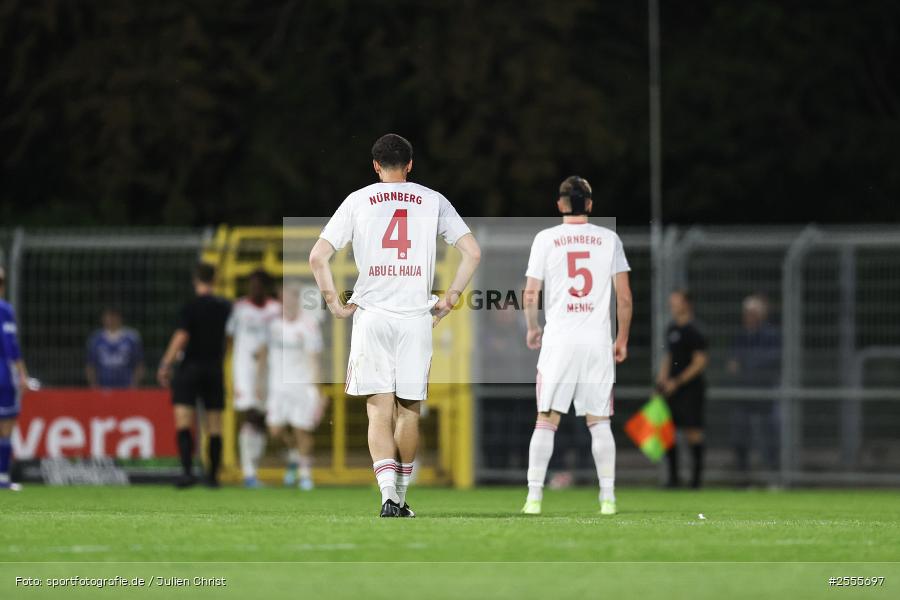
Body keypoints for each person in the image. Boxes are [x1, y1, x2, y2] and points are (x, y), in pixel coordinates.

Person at [309, 133, 481, 517]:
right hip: (415, 318)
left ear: (375, 166)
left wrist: (335, 304)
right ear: (410, 164)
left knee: (378, 411)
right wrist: (450, 297)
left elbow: (318, 257)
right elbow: (472, 251)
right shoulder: (431, 199)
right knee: (408, 410)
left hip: (372, 317)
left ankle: (387, 495)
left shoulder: (358, 200)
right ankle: (400, 498)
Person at [520, 176, 633, 516]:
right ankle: (608, 499)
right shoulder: (608, 239)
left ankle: (534, 498)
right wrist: (622, 338)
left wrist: (532, 328)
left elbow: (530, 293)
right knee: (599, 422)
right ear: (591, 204)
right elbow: (624, 297)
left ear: (560, 204)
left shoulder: (546, 239)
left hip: (560, 342)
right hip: (597, 342)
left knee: (546, 421)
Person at [157, 263, 232, 488]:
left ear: (195, 280)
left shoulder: (190, 308)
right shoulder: (225, 307)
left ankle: (188, 472)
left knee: (183, 422)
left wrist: (165, 364)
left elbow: (181, 336)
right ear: (214, 280)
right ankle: (213, 477)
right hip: (213, 368)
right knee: (215, 424)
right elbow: (230, 338)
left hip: (189, 368)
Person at [258, 285, 325, 490]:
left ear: (297, 300)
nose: (287, 302)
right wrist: (259, 383)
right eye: (283, 298)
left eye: (291, 298)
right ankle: (295, 456)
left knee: (301, 431)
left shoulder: (309, 325)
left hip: (301, 386)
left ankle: (305, 474)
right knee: (275, 431)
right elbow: (262, 353)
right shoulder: (272, 325)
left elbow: (314, 359)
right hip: (277, 387)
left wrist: (318, 391)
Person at [227, 268, 280, 488]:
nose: (254, 288)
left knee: (261, 417)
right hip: (244, 369)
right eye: (252, 284)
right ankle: (248, 472)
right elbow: (229, 337)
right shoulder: (239, 308)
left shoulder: (276, 309)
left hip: (269, 370)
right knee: (249, 413)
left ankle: (253, 469)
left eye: (258, 284)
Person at [657, 290, 709, 489]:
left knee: (693, 432)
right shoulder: (671, 328)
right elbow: (668, 357)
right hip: (670, 390)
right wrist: (662, 382)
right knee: (666, 431)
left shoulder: (695, 330)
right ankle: (673, 479)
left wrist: (677, 381)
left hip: (690, 390)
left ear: (687, 304)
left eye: (676, 301)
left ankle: (696, 482)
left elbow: (700, 362)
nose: (672, 304)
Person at [727, 294, 781, 482]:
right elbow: (733, 363)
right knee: (740, 436)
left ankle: (774, 477)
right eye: (746, 313)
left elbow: (771, 359)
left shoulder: (770, 335)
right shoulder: (742, 335)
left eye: (752, 313)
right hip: (745, 393)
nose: (748, 317)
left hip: (765, 393)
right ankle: (743, 479)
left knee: (770, 437)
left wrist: (746, 364)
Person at [0, 267, 29, 491]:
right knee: (6, 425)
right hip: (2, 373)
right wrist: (22, 374)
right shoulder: (4, 309)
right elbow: (10, 346)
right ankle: (1, 477)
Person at [85, 307, 144, 388]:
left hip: (126, 386)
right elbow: (90, 365)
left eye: (113, 316)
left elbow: (139, 364)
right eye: (108, 316)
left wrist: (134, 384)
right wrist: (94, 385)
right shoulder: (96, 338)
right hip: (103, 387)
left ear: (119, 318)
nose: (110, 319)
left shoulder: (131, 337)